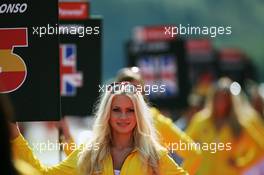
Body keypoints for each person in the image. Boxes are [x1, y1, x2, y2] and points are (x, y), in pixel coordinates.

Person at [11, 82, 188, 175]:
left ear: (138, 115)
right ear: (107, 114)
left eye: (130, 110)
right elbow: (43, 174)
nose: (123, 117)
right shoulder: (89, 153)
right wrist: (15, 136)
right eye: (116, 110)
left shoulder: (155, 156)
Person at [115, 67, 201, 175]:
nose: (129, 95)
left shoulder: (157, 121)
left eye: (135, 89)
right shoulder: (108, 123)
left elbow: (193, 154)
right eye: (125, 90)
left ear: (143, 91)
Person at [186, 77, 264, 175]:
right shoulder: (201, 120)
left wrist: (241, 163)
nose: (221, 102)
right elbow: (185, 143)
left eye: (224, 98)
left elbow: (260, 147)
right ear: (212, 99)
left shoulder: (238, 123)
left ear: (231, 101)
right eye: (218, 98)